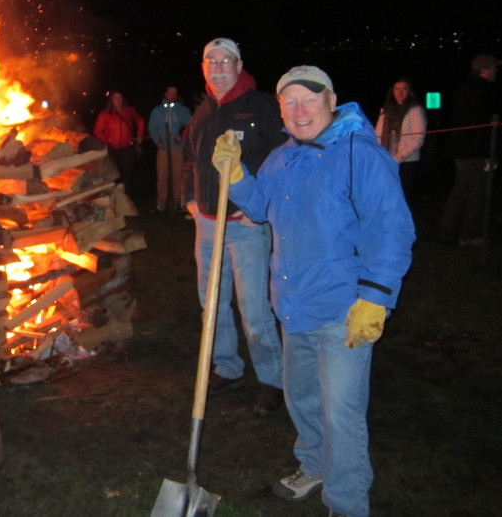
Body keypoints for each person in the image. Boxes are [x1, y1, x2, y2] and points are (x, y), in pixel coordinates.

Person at [213, 65, 415, 517]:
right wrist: (236, 174)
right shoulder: (282, 157)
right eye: (290, 102)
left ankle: (346, 502)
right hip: (293, 304)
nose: (300, 110)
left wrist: (375, 297)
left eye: (310, 99)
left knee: (341, 411)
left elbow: (392, 229)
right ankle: (315, 465)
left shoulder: (360, 154)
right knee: (301, 397)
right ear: (280, 108)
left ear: (332, 101)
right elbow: (261, 208)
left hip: (345, 308)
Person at [181, 37, 286, 417]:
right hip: (207, 226)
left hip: (246, 226)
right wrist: (190, 200)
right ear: (203, 68)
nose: (219, 68)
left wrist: (260, 206)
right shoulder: (204, 111)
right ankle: (227, 366)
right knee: (211, 305)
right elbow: (190, 158)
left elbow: (282, 160)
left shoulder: (262, 107)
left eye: (226, 61)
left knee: (253, 309)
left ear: (240, 67)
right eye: (212, 62)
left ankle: (273, 379)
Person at [438, 54, 500, 246]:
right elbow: (480, 127)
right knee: (476, 193)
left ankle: (447, 231)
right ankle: (469, 235)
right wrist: (487, 155)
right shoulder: (482, 91)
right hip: (474, 152)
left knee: (461, 191)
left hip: (461, 150)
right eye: (493, 68)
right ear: (484, 70)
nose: (496, 71)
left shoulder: (464, 89)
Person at [374, 77, 426, 206]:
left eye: (404, 89)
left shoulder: (415, 110)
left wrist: (397, 157)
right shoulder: (386, 109)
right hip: (387, 159)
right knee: (386, 197)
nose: (400, 93)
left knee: (403, 198)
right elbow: (377, 134)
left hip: (406, 162)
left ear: (410, 91)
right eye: (397, 89)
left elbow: (418, 139)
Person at [147, 85, 191, 211]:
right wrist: (158, 141)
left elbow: (189, 127)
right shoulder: (157, 111)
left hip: (178, 149)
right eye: (170, 93)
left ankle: (178, 202)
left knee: (178, 176)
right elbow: (152, 127)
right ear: (165, 94)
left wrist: (180, 139)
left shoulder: (183, 110)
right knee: (162, 176)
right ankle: (161, 202)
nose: (172, 95)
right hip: (163, 149)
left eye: (174, 93)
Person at [93, 90, 145, 194]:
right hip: (112, 149)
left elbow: (140, 121)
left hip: (127, 148)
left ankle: (126, 197)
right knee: (113, 176)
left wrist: (140, 135)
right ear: (111, 100)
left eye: (120, 98)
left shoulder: (129, 111)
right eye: (116, 98)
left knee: (127, 175)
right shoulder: (105, 114)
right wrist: (107, 140)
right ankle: (114, 197)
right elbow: (97, 131)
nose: (118, 100)